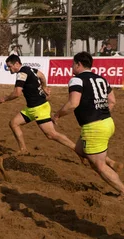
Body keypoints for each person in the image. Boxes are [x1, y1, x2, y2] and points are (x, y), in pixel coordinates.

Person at [53, 52, 124, 195]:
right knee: (80, 150)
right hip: (108, 123)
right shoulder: (101, 79)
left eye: (73, 64)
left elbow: (73, 103)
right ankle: (111, 163)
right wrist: (101, 112)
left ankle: (122, 191)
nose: (72, 67)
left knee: (98, 166)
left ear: (78, 64)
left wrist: (57, 115)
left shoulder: (76, 80)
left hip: (94, 127)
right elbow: (112, 101)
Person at [0, 54, 78, 155]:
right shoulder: (29, 69)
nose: (9, 69)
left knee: (51, 135)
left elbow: (17, 93)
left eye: (10, 66)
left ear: (16, 64)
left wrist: (5, 98)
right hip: (32, 108)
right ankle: (23, 149)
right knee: (14, 123)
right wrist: (44, 87)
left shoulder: (21, 73)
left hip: (39, 108)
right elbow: (41, 76)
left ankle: (77, 150)